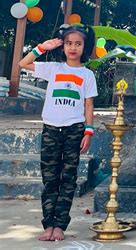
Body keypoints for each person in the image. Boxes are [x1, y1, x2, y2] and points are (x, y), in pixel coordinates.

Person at [18, 25, 97, 241]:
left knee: (68, 178)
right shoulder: (53, 68)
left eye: (78, 44)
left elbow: (88, 105)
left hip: (75, 130)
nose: (73, 48)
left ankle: (60, 225)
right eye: (69, 43)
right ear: (63, 46)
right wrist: (42, 48)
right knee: (50, 178)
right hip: (51, 129)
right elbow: (22, 63)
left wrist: (88, 132)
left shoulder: (87, 75)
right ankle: (49, 224)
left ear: (84, 47)